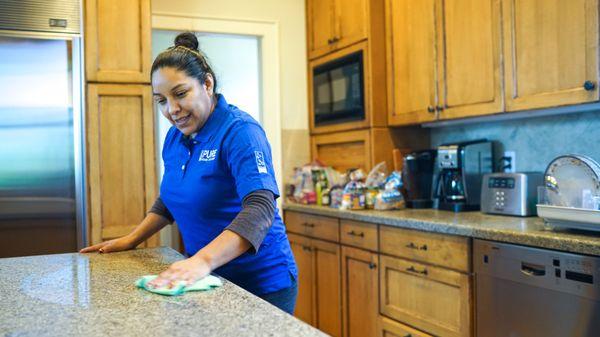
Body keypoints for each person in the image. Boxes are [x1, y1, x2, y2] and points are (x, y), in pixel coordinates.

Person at [80, 32, 298, 314]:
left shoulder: (241, 132)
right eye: (161, 100)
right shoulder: (175, 137)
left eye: (180, 94)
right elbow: (170, 198)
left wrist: (202, 260)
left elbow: (261, 208)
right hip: (207, 278)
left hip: (261, 283)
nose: (172, 109)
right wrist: (132, 239)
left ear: (207, 83)